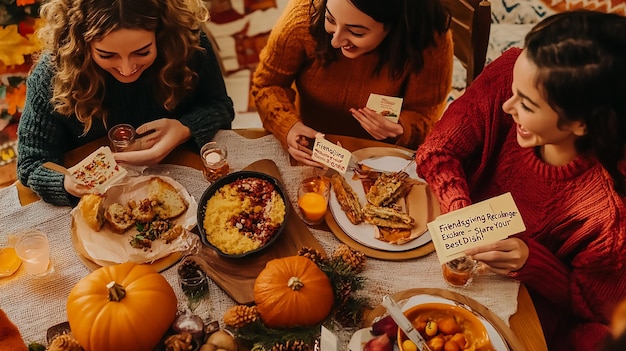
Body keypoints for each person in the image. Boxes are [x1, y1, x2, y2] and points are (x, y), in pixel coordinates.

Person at [414, 10, 626, 351]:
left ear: (582, 124)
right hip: (440, 244)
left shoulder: (609, 216)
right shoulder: (513, 73)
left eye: (526, 104)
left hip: (512, 309)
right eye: (513, 89)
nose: (507, 106)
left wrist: (532, 262)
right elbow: (438, 150)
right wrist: (461, 213)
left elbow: (593, 309)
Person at [17, 0, 235, 206]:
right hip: (101, 199)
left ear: (162, 32)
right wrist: (66, 183)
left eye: (142, 52)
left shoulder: (190, 44)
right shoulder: (52, 74)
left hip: (187, 181)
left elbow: (220, 106)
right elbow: (31, 163)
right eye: (107, 55)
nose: (127, 69)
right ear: (81, 43)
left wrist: (185, 129)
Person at [251, 0, 453, 166]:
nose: (335, 42)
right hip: (311, 146)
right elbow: (268, 85)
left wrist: (402, 128)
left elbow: (426, 116)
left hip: (382, 159)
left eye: (356, 32)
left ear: (397, 26)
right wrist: (288, 126)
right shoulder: (302, 17)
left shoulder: (429, 40)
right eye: (330, 19)